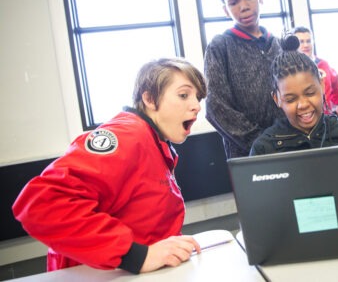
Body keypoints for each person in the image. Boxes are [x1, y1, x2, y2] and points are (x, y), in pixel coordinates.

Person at [12, 58, 207, 273]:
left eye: (198, 98)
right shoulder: (127, 137)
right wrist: (136, 256)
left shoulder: (156, 143)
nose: (197, 106)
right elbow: (42, 203)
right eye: (183, 95)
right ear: (150, 99)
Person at [204, 0, 284, 159]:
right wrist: (260, 142)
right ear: (225, 10)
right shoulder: (220, 46)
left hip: (289, 143)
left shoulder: (279, 43)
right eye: (234, 2)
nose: (244, 6)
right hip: (247, 153)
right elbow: (216, 106)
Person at [250, 35, 338, 155]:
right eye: (291, 99)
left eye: (310, 93)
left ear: (322, 86)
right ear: (277, 99)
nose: (303, 105)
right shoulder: (264, 148)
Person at [292, 26, 338, 116]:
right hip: (302, 118)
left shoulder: (324, 65)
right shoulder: (289, 70)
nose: (306, 45)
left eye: (308, 41)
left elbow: (336, 85)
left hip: (326, 117)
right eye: (301, 42)